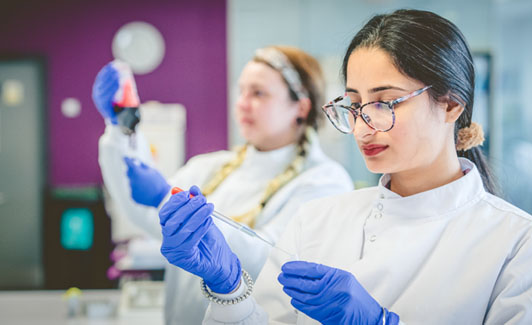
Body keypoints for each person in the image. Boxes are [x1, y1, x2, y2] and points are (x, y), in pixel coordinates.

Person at [157, 9, 532, 325]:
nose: (362, 126)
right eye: (354, 105)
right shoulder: (317, 221)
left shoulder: (522, 247)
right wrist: (228, 289)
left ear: (451, 104)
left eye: (384, 102)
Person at [92, 46, 354, 324]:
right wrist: (120, 128)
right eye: (241, 91)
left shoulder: (324, 181)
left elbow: (275, 261)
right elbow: (146, 216)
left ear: (300, 106)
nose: (242, 103)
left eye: (258, 93)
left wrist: (162, 197)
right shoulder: (211, 167)